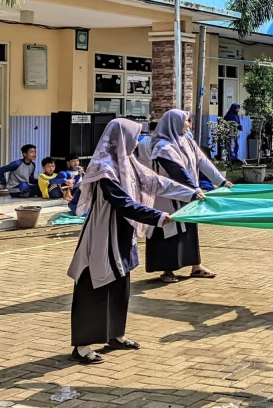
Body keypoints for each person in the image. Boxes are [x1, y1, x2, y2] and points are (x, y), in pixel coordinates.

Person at [67, 118, 202, 365]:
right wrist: (159, 216)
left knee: (121, 286)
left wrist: (191, 192)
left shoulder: (128, 163)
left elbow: (156, 182)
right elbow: (123, 203)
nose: (137, 142)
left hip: (123, 233)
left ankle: (115, 335)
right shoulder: (105, 169)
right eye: (134, 136)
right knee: (94, 286)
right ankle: (82, 345)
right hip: (102, 235)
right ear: (122, 138)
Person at [146, 109, 231, 284]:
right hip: (169, 196)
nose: (189, 125)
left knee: (190, 229)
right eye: (187, 121)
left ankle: (196, 266)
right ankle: (167, 270)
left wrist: (221, 181)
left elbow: (203, 161)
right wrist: (193, 189)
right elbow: (177, 171)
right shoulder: (163, 147)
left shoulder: (187, 141)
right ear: (174, 123)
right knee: (168, 231)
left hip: (189, 194)